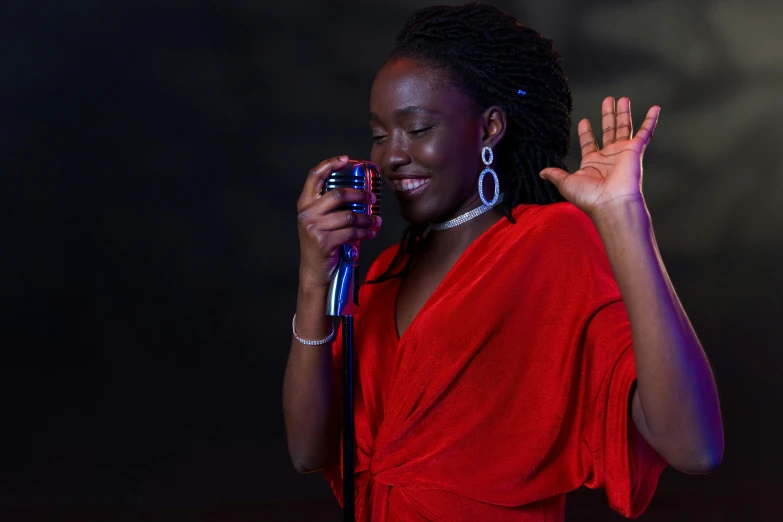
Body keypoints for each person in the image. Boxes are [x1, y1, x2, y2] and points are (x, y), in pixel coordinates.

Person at [283, 3, 724, 520]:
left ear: (490, 127)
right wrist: (316, 280)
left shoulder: (550, 244)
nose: (391, 157)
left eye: (417, 129)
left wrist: (624, 218)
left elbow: (695, 448)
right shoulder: (382, 276)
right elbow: (308, 451)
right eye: (380, 135)